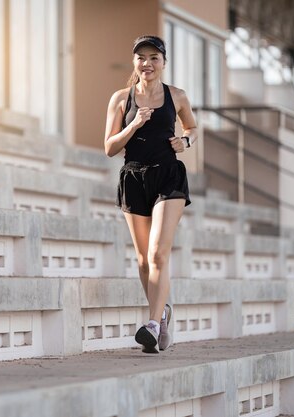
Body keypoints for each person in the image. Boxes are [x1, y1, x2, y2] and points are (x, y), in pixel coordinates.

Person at [104, 35, 197, 354]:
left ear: (164, 63)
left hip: (168, 175)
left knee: (159, 253)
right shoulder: (120, 99)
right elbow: (109, 147)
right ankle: (163, 315)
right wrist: (134, 124)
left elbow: (192, 128)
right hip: (133, 176)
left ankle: (152, 324)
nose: (147, 63)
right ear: (134, 63)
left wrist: (186, 141)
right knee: (144, 259)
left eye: (154, 58)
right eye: (141, 57)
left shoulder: (178, 96)